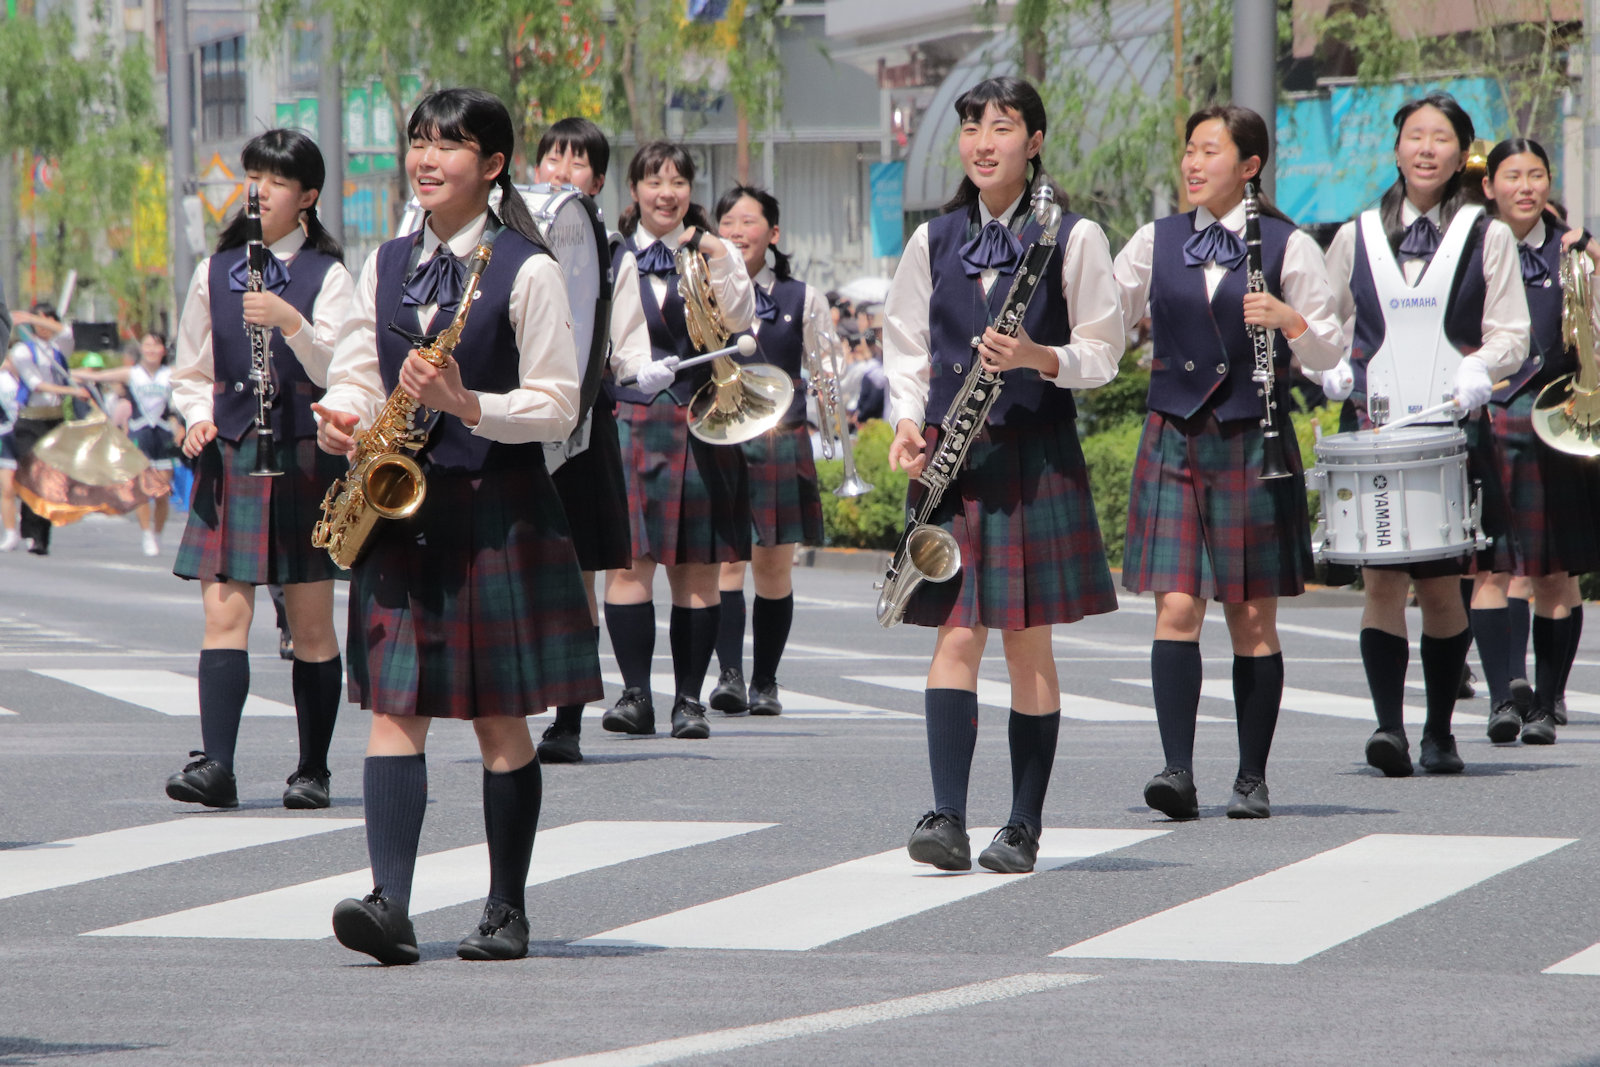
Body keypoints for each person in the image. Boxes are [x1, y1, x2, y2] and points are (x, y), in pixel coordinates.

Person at [317, 88, 600, 964]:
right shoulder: (386, 259)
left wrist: (469, 403)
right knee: (393, 708)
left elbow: (558, 404)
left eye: (449, 144)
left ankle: (506, 908)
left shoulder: (528, 268)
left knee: (497, 719)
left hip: (495, 510)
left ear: (494, 164)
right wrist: (345, 413)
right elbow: (359, 367)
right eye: (419, 141)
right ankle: (389, 904)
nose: (426, 158)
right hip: (399, 511)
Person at [883, 76, 1122, 874]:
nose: (984, 143)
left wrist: (1038, 357)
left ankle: (1022, 824)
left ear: (1035, 141)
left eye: (1002, 127)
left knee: (1026, 641)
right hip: (951, 461)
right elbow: (906, 346)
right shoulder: (933, 238)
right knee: (955, 631)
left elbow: (1104, 352)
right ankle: (945, 816)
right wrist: (907, 421)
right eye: (972, 128)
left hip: (1033, 455)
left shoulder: (1074, 236)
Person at [1113, 106, 1345, 821]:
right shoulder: (1154, 241)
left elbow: (1330, 350)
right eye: (1189, 149)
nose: (1192, 162)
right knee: (1178, 605)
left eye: (1209, 151)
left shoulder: (1288, 244)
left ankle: (1251, 776)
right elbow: (1102, 320)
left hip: (1252, 434)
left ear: (1249, 166)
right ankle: (1176, 770)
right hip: (1173, 430)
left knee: (1249, 613)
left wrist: (1290, 320)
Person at [1321, 92, 1530, 777]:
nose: (1426, 149)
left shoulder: (1486, 233)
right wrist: (1327, 366)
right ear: (1397, 148)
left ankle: (1439, 730)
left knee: (1441, 587)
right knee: (1381, 581)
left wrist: (1481, 367)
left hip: (1450, 427)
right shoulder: (1355, 234)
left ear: (1462, 152)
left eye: (1441, 138)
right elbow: (1327, 320)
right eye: (1415, 136)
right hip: (1375, 424)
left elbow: (1512, 330)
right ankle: (1389, 728)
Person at [164, 129, 355, 811]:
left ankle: (312, 770)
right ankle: (216, 764)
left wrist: (290, 321)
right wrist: (196, 417)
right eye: (253, 178)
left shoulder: (329, 275)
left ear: (306, 197)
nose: (260, 191)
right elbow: (191, 371)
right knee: (224, 613)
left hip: (303, 454)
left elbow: (342, 368)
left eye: (275, 181)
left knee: (311, 624)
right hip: (233, 453)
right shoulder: (213, 270)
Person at [601, 141, 756, 742]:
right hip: (634, 416)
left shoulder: (709, 254)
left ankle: (689, 701)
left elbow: (739, 319)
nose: (666, 193)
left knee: (697, 571)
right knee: (629, 565)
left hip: (701, 419)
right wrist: (630, 368)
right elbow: (595, 337)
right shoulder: (613, 254)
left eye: (678, 182)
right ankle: (635, 695)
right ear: (634, 189)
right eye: (654, 181)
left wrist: (719, 252)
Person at [530, 117, 673, 764]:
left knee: (576, 575)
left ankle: (566, 718)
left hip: (581, 429)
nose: (562, 170)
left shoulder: (614, 253)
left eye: (578, 161)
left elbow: (626, 342)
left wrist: (644, 369)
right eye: (552, 158)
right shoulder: (503, 238)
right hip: (506, 423)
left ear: (597, 181)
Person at [1467, 138, 1599, 745]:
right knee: (1494, 566)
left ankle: (1546, 702)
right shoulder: (1471, 248)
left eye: (1537, 175)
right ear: (1489, 185)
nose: (1526, 187)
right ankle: (1505, 693)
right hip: (1491, 414)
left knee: (1552, 569)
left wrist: (1588, 248)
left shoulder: (1570, 253)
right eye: (1513, 176)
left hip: (1554, 418)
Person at [705, 185, 829, 717]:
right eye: (727, 221)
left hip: (782, 437)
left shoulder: (803, 297)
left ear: (773, 233)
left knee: (774, 569)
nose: (737, 231)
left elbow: (825, 372)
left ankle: (766, 682)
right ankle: (729, 677)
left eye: (749, 221)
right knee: (727, 565)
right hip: (721, 437)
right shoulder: (702, 290)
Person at [74, 331, 184, 555]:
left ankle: (158, 533)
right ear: (141, 348)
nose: (151, 350)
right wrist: (73, 374)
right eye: (147, 345)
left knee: (162, 492)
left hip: (163, 434)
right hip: (140, 433)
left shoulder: (170, 373)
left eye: (156, 345)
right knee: (142, 489)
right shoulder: (132, 373)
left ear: (163, 350)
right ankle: (146, 534)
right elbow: (100, 376)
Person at [9, 303, 88, 555]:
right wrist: (72, 391)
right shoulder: (22, 351)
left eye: (48, 320)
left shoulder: (58, 348)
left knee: (50, 479)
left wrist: (33, 317)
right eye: (38, 321)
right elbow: (36, 384)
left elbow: (66, 332)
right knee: (34, 475)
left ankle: (42, 535)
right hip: (30, 420)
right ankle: (31, 531)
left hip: (54, 420)